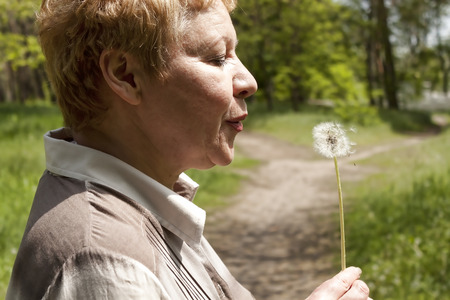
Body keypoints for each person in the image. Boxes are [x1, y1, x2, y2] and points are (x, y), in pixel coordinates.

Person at [6, 0, 371, 299]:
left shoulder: (144, 201)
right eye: (217, 58)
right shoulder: (103, 263)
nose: (249, 82)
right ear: (126, 75)